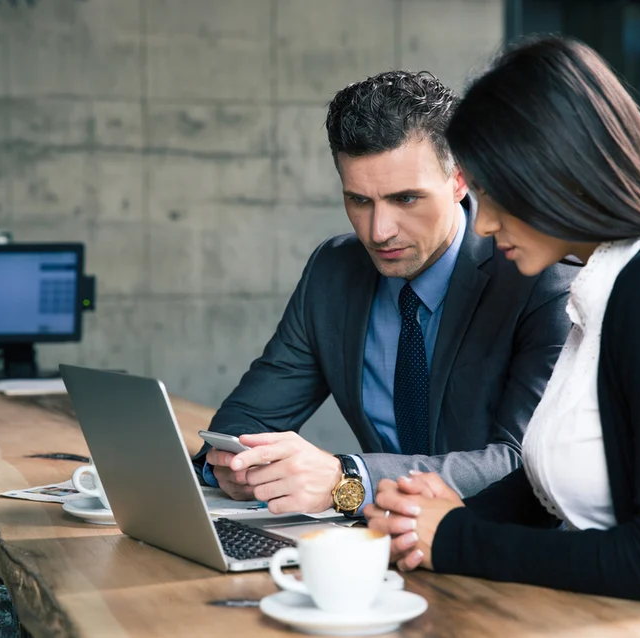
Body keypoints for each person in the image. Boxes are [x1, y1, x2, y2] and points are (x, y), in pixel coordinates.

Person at [365, 37, 640, 637]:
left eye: (497, 195)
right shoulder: (607, 282)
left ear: (556, 173)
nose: (488, 223)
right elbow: (563, 483)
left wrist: (454, 536)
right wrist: (436, 515)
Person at [194, 70, 577, 517]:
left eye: (406, 199)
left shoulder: (539, 279)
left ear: (460, 181)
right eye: (359, 200)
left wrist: (348, 480)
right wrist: (236, 467)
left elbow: (522, 467)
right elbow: (248, 421)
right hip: (380, 549)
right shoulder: (333, 271)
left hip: (500, 554)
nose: (379, 232)